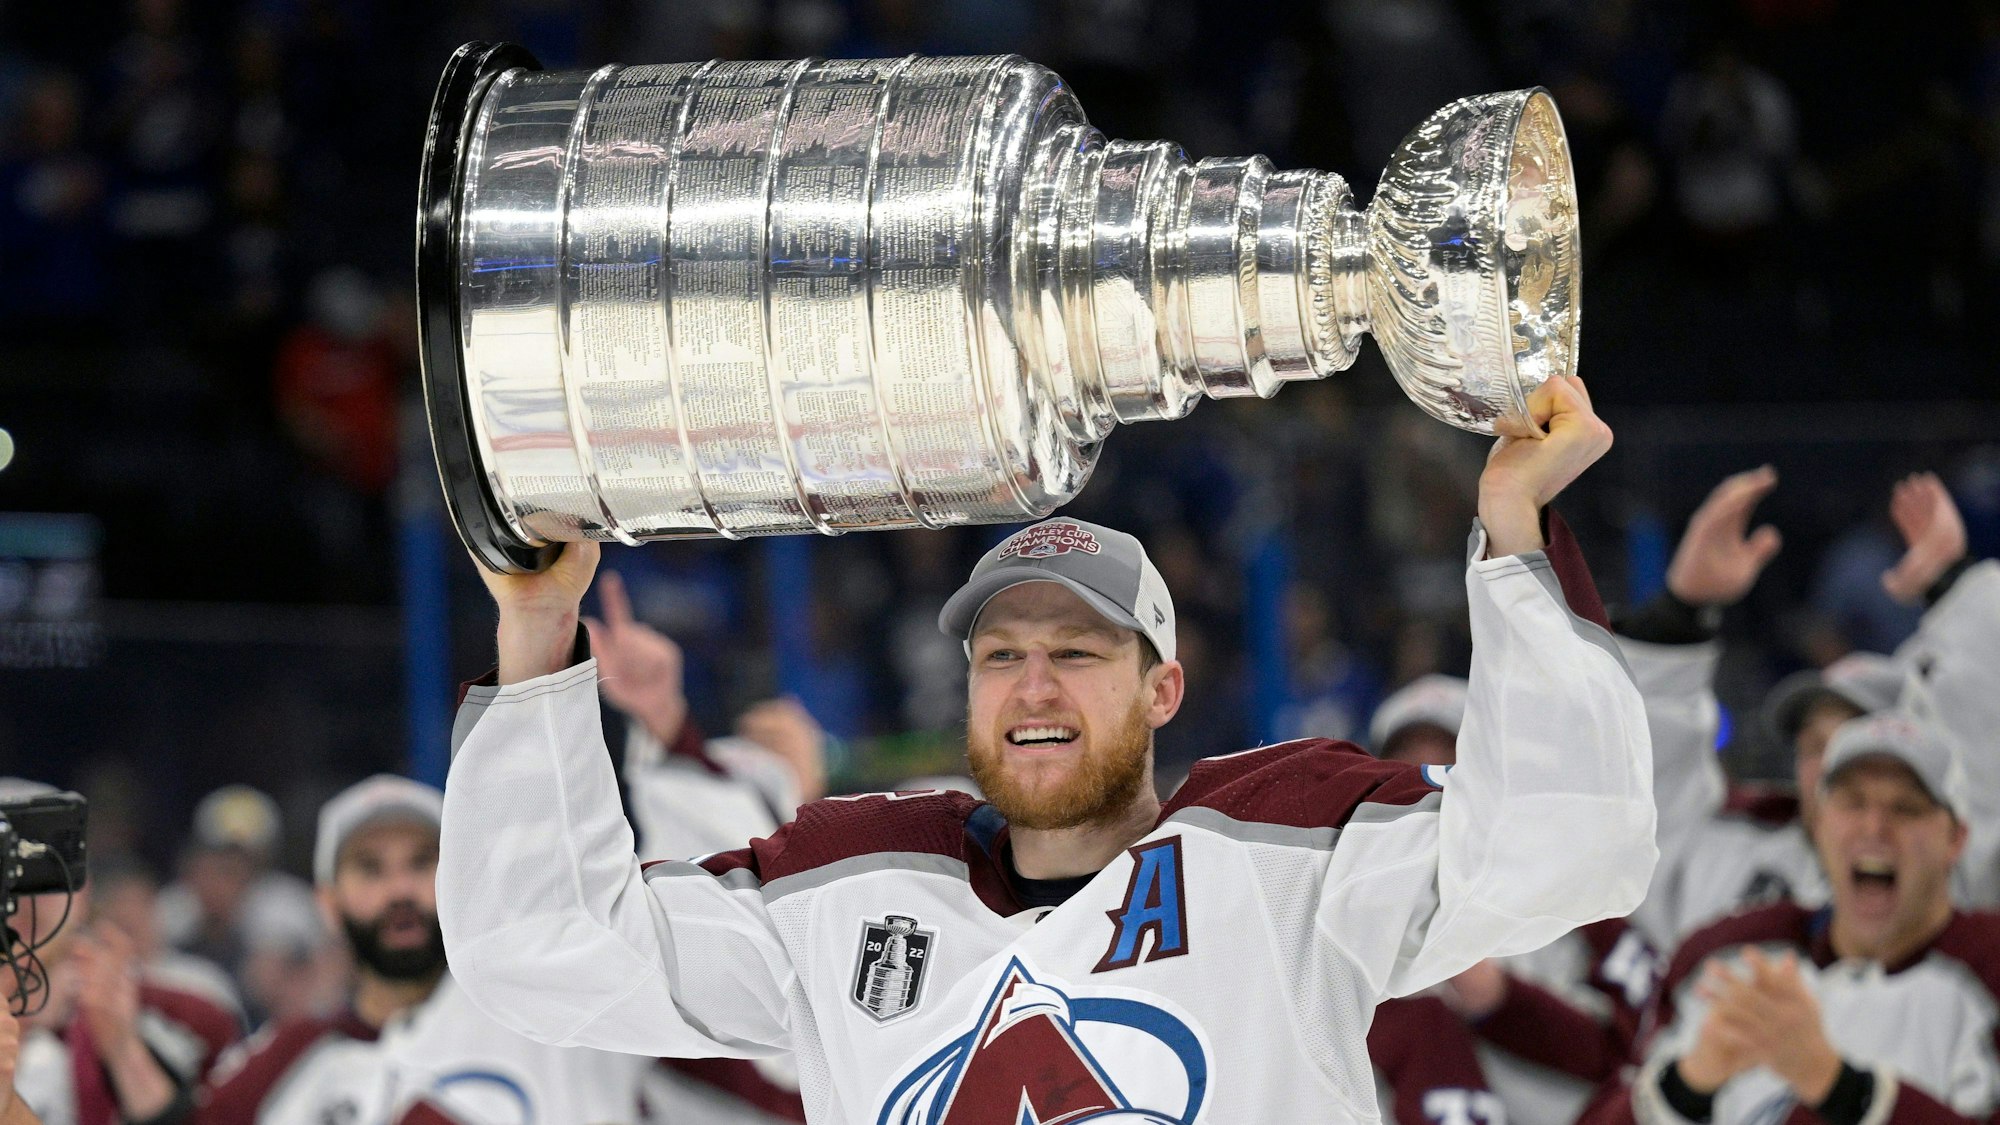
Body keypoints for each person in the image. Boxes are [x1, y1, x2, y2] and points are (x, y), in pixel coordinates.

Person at [438, 376, 1658, 1120]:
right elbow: (541, 950)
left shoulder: (1287, 854)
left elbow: (1567, 845)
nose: (1033, 685)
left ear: (1162, 689)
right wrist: (537, 630)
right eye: (1000, 654)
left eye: (1078, 654)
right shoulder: (842, 892)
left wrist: (1512, 529)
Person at [1583, 711, 2000, 1125]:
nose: (1874, 827)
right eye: (1852, 802)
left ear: (1956, 838)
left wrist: (1840, 1089)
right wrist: (1687, 1086)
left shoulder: (1989, 967)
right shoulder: (1729, 954)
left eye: (1906, 809)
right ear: (1818, 823)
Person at [184, 775, 649, 1125]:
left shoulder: (552, 1016)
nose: (400, 889)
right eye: (371, 869)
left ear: (461, 883)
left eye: (422, 862)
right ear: (328, 903)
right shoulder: (292, 1055)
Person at [0, 778, 240, 1125]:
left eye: (37, 870)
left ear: (83, 889)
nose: (17, 899)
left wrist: (125, 1052)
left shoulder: (190, 1017)